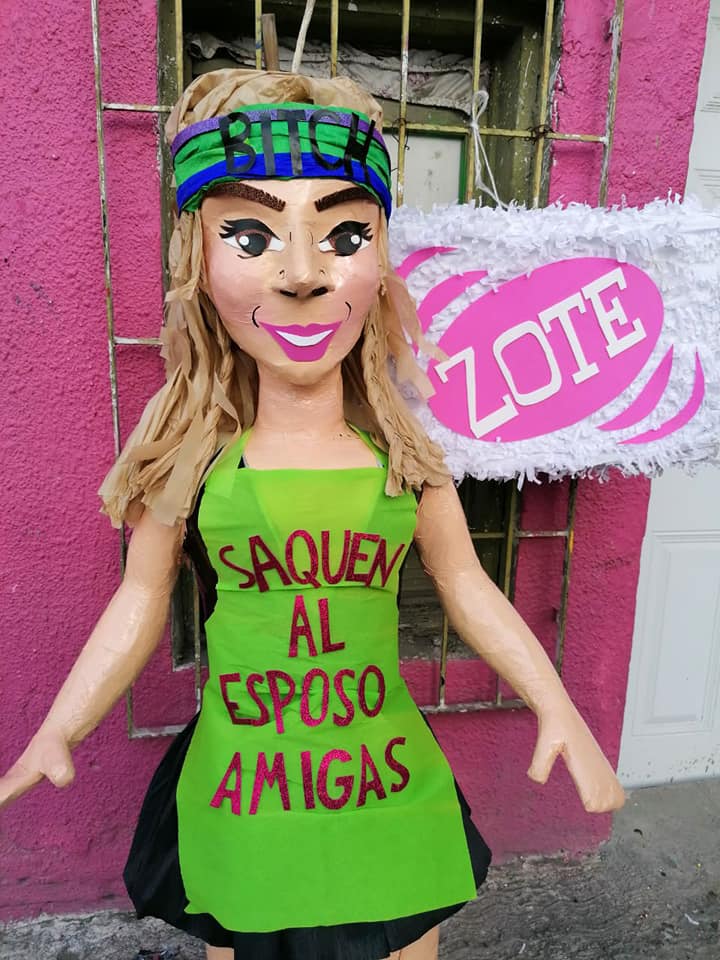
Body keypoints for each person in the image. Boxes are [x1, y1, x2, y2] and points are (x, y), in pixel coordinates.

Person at [0, 69, 625, 960]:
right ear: (197, 264)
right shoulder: (195, 461)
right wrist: (60, 727)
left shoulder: (404, 460)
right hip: (244, 789)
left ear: (379, 264)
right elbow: (140, 597)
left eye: (345, 235)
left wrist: (557, 707)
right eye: (251, 236)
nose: (301, 274)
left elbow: (464, 582)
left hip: (385, 781)